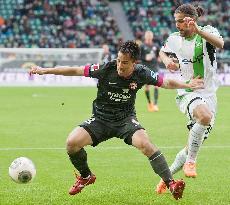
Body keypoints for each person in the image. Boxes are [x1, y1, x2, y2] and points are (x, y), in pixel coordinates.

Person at [30, 41, 204, 200]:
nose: (120, 65)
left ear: (134, 62)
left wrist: (188, 85)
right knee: (71, 143)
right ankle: (85, 176)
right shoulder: (107, 68)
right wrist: (45, 70)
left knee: (146, 145)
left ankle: (171, 184)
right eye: (119, 60)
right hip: (100, 119)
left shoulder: (142, 72)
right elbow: (76, 70)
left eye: (125, 62)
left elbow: (165, 82)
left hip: (125, 120)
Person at [155, 3, 224, 194]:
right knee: (204, 116)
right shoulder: (174, 39)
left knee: (192, 144)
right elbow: (162, 51)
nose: (177, 25)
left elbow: (221, 44)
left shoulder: (207, 31)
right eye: (175, 21)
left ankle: (166, 178)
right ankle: (192, 163)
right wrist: (168, 60)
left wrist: (198, 30)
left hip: (209, 95)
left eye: (180, 22)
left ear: (191, 20)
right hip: (188, 91)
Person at [140, 31, 160, 112]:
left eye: (150, 36)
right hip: (146, 68)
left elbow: (159, 54)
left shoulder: (155, 46)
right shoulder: (142, 46)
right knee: (147, 87)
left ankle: (155, 104)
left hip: (155, 68)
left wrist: (159, 58)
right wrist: (145, 57)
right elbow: (139, 57)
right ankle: (149, 103)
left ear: (152, 37)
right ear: (145, 37)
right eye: (147, 36)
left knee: (156, 85)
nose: (148, 38)